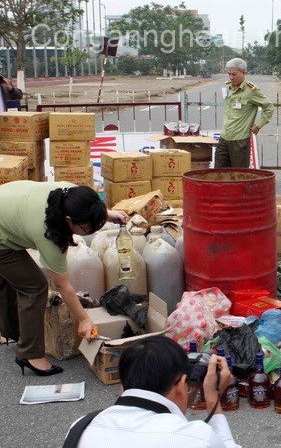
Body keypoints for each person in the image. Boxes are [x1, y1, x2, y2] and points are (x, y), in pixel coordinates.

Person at [0, 180, 127, 376]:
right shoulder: (49, 233)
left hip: (8, 207)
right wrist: (84, 319)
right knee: (33, 286)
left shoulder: (69, 194)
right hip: (3, 231)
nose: (92, 231)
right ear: (68, 219)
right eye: (87, 228)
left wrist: (106, 214)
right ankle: (30, 354)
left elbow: (88, 204)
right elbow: (62, 285)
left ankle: (14, 333)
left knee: (14, 276)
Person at [65, 335, 240, 448]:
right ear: (182, 384)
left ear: (122, 385)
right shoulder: (197, 439)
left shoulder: (81, 428)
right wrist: (212, 396)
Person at [215, 57, 274, 168]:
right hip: (224, 138)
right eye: (229, 74)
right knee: (219, 174)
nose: (231, 77)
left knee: (239, 175)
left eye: (234, 74)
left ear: (244, 72)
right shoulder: (228, 87)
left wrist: (258, 125)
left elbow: (269, 107)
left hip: (240, 141)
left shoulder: (252, 91)